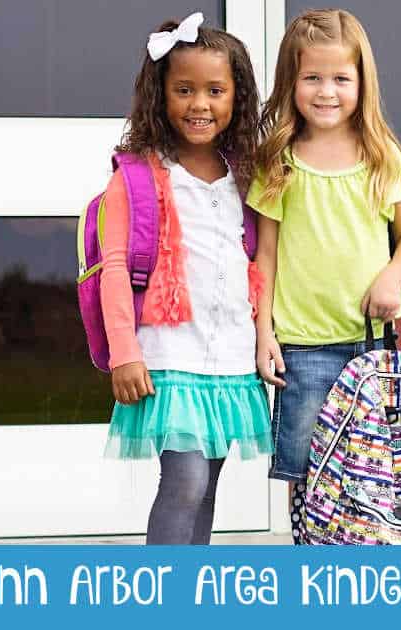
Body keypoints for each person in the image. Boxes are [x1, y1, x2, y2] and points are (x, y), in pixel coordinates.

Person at [100, 13, 271, 545]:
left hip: (229, 358)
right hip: (169, 358)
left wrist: (264, 338)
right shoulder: (138, 175)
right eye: (184, 90)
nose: (200, 104)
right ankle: (162, 598)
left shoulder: (245, 175)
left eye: (215, 90)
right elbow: (112, 266)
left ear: (236, 98)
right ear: (160, 95)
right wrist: (123, 351)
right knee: (186, 479)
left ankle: (188, 595)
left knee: (207, 486)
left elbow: (258, 264)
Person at [249, 9, 401, 496]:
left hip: (370, 344)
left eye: (341, 78)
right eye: (313, 78)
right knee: (306, 476)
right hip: (302, 347)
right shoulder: (279, 162)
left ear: (362, 82)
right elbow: (266, 255)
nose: (327, 91)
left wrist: (391, 279)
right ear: (292, 81)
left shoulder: (381, 155)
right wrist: (263, 334)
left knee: (369, 474)